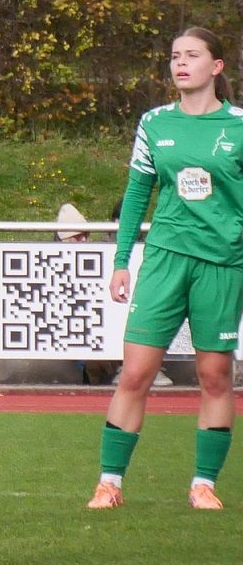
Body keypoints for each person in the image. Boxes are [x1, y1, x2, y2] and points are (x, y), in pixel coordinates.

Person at [89, 27, 243, 512]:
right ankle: (109, 483)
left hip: (222, 263)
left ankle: (203, 484)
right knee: (135, 372)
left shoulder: (239, 126)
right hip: (165, 259)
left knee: (214, 374)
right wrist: (121, 261)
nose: (180, 64)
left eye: (192, 56)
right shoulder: (154, 123)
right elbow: (137, 193)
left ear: (216, 66)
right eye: (175, 56)